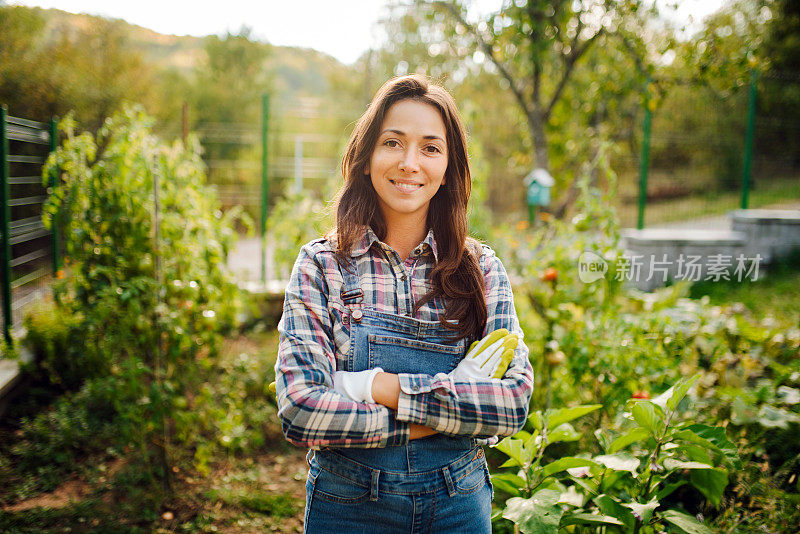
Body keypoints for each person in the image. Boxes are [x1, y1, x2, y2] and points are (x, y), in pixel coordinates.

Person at [274, 74, 534, 533]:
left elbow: (512, 402)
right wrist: (436, 417)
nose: (410, 163)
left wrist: (374, 385)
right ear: (367, 155)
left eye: (430, 148)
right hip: (348, 505)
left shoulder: (481, 270)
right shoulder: (323, 266)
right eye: (393, 143)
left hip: (459, 505)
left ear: (449, 167)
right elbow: (300, 408)